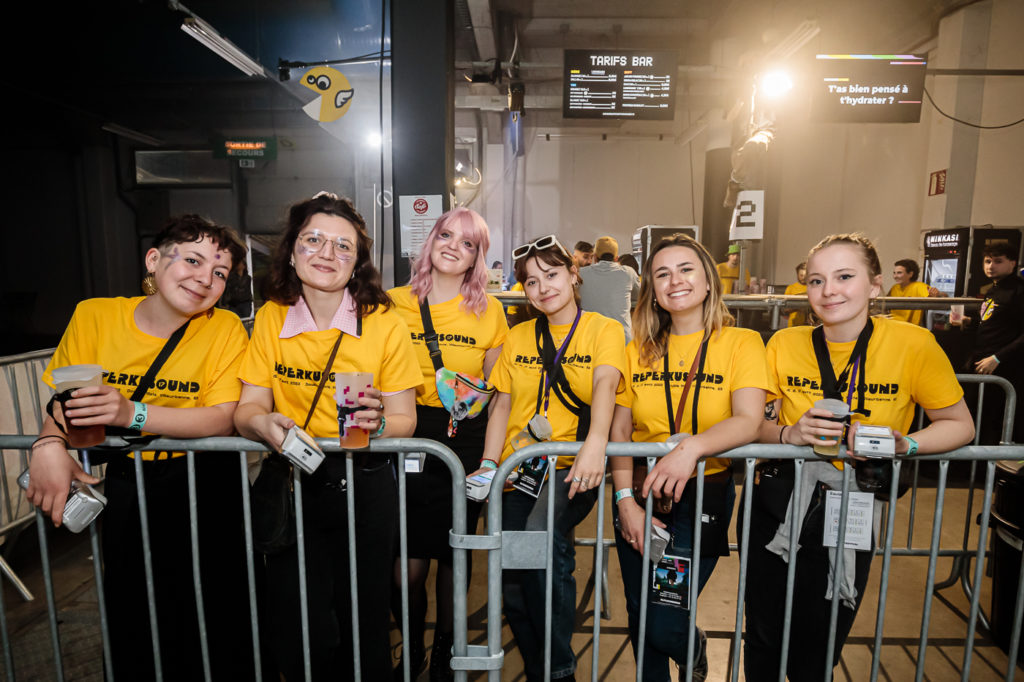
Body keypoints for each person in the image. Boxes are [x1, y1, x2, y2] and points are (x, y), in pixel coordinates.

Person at [27, 215, 253, 680]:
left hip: (206, 482)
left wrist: (132, 414)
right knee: (134, 606)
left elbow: (222, 416)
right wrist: (49, 441)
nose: (204, 278)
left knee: (220, 612)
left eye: (219, 273)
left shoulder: (224, 327)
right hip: (131, 481)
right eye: (192, 260)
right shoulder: (95, 315)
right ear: (154, 260)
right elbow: (67, 404)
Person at [744, 233, 974, 681]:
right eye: (816, 280)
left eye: (844, 277)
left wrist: (905, 443)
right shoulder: (783, 344)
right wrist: (789, 432)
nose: (828, 290)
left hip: (852, 505)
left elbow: (960, 424)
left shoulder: (913, 344)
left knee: (823, 634)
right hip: (778, 500)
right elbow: (750, 424)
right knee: (764, 632)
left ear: (875, 285)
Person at [234, 192, 421, 681]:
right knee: (300, 622)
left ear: (357, 260)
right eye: (313, 240)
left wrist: (378, 421)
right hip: (294, 481)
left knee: (364, 619)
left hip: (365, 482)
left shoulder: (384, 323)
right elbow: (248, 408)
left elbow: (406, 421)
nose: (326, 254)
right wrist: (262, 425)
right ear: (292, 251)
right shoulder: (272, 317)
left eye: (343, 246)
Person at [610, 234, 769, 682]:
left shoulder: (741, 342)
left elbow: (749, 420)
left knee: (664, 611)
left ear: (707, 281)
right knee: (640, 609)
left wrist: (690, 450)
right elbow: (620, 430)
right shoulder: (636, 349)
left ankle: (691, 645)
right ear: (652, 290)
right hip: (640, 492)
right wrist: (626, 501)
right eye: (662, 273)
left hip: (704, 494)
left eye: (685, 269)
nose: (674, 280)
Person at [473, 234, 626, 681]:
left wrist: (594, 444)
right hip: (517, 471)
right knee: (515, 573)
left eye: (553, 275)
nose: (544, 288)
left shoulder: (603, 330)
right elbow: (501, 405)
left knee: (542, 542)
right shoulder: (518, 336)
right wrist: (488, 464)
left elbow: (604, 385)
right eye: (532, 282)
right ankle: (541, 664)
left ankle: (560, 669)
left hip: (571, 469)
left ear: (574, 274)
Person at [387, 207, 508, 681]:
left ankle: (444, 652)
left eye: (468, 242)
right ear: (431, 240)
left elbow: (499, 388)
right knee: (406, 567)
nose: (453, 246)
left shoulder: (488, 309)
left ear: (478, 257)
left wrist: (490, 453)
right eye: (446, 234)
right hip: (406, 434)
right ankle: (411, 647)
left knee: (454, 556)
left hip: (464, 437)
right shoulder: (390, 302)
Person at [959, 242, 1024, 443]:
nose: (991, 266)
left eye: (998, 261)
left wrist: (997, 358)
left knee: (995, 418)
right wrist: (972, 322)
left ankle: (990, 469)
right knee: (979, 414)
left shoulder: (1019, 291)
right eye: (987, 261)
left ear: (1012, 263)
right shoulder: (993, 289)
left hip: (1005, 367)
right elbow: (995, 320)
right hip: (984, 362)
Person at [579, 235, 641, 342]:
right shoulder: (628, 273)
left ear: (594, 257)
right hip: (621, 341)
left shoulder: (580, 274)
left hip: (589, 341)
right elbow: (640, 296)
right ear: (616, 258)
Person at [887, 258, 931, 325]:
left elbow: (943, 296)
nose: (895, 276)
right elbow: (884, 304)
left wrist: (936, 293)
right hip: (894, 326)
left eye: (899, 273)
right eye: (894, 273)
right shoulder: (894, 287)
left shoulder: (919, 286)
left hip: (910, 328)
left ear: (910, 274)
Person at [784, 261, 808, 327]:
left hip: (810, 325)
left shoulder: (813, 288)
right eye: (801, 275)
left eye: (805, 275)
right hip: (793, 325)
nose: (803, 277)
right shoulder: (790, 288)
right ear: (797, 274)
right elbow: (785, 309)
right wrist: (798, 307)